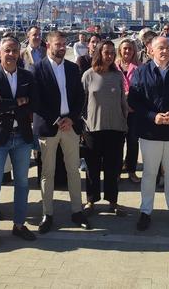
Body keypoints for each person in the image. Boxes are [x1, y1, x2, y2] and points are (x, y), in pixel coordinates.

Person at [129, 36, 169, 232]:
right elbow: (133, 100)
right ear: (151, 51)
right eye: (160, 48)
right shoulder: (141, 72)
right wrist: (152, 116)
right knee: (149, 173)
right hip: (150, 132)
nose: (164, 51)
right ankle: (145, 212)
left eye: (167, 48)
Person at [0, 36, 39, 249]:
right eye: (7, 50)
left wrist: (13, 103)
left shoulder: (27, 76)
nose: (11, 54)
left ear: (19, 53)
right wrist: (19, 101)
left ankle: (19, 224)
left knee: (22, 183)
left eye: (15, 50)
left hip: (22, 137)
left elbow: (33, 102)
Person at [33, 31, 90, 233]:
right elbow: (36, 101)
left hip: (70, 126)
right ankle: (47, 214)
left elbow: (80, 97)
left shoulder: (73, 68)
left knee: (73, 170)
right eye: (58, 44)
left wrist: (71, 118)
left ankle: (77, 211)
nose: (62, 47)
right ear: (48, 46)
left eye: (64, 44)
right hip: (49, 127)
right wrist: (57, 120)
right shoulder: (37, 69)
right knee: (47, 172)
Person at [82, 40, 129, 216]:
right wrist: (81, 127)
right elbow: (82, 103)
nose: (109, 56)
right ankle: (91, 201)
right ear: (99, 54)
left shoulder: (118, 76)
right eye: (105, 53)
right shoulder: (88, 75)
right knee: (92, 168)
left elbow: (123, 102)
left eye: (111, 53)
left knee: (113, 167)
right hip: (93, 129)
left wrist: (125, 123)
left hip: (116, 128)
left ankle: (113, 201)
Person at [116, 38, 140, 183]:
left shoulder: (139, 68)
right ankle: (117, 170)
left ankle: (131, 170)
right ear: (120, 50)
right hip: (117, 110)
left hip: (133, 111)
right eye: (125, 48)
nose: (127, 51)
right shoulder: (113, 67)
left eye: (130, 49)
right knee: (117, 142)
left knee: (132, 141)